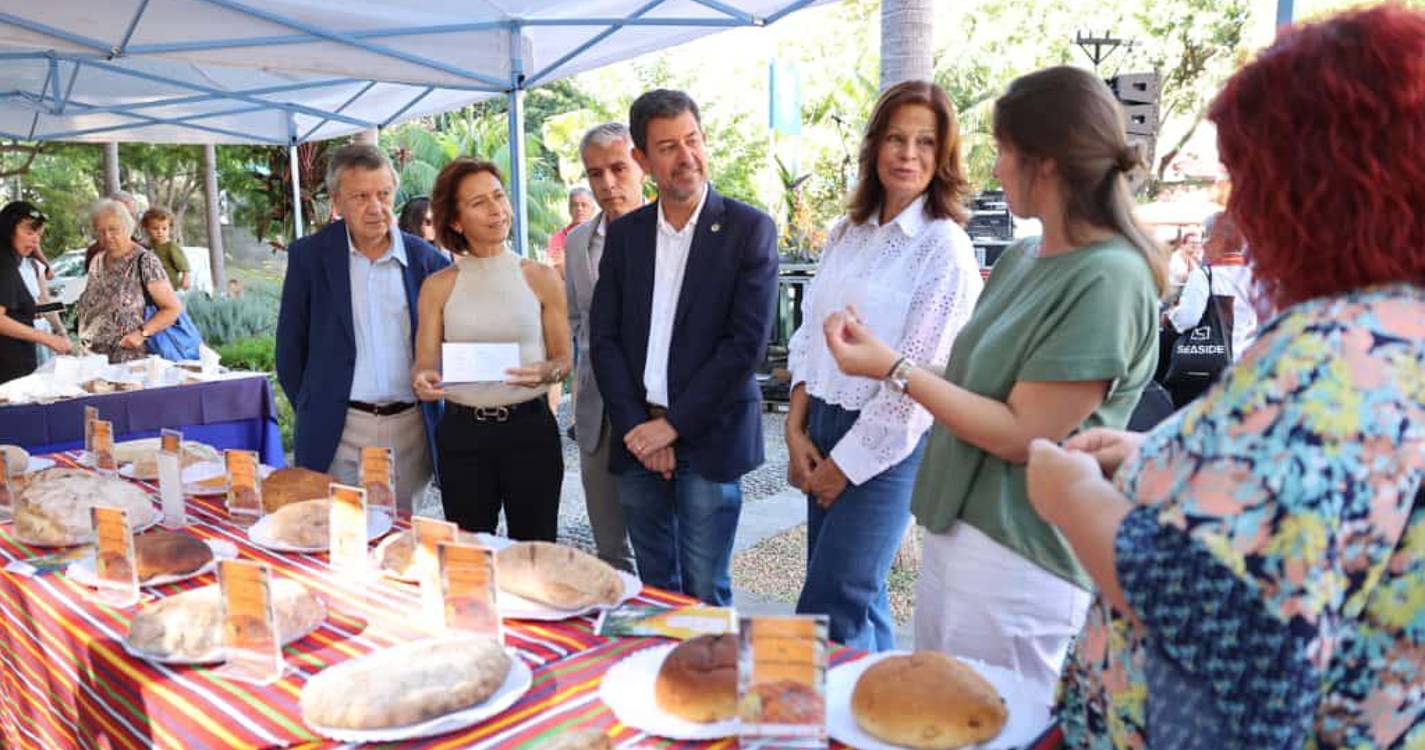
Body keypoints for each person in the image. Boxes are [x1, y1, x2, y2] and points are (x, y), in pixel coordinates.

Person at [1029, 7, 1425, 748]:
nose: (1236, 207)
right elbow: (1325, 521)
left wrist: (1074, 499)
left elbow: (1235, 631)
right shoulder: (1395, 336)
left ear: (1316, 183)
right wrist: (1153, 459)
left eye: (1246, 176)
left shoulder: (1331, 355)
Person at [821, 66, 1166, 700]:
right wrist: (889, 358)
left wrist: (894, 370)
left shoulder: (1110, 277)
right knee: (938, 713)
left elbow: (1020, 432)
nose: (996, 167)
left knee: (999, 720)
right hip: (959, 531)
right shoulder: (1021, 259)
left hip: (1023, 553)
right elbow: (974, 383)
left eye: (1005, 151)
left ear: (1048, 164)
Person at [785, 81, 981, 651]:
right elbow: (808, 338)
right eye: (896, 138)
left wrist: (844, 465)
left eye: (925, 141)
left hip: (889, 442)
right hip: (820, 419)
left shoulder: (945, 248)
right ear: (874, 146)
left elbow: (922, 375)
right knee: (861, 600)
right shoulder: (847, 233)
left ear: (944, 156)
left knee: (829, 605)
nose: (908, 154)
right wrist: (796, 429)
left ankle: (814, 728)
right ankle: (878, 722)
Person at [590, 89, 778, 605]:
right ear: (643, 160)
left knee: (703, 587)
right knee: (655, 590)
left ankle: (711, 684)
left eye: (692, 140)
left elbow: (745, 346)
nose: (686, 157)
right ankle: (657, 679)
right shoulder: (626, 236)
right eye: (668, 147)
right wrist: (638, 429)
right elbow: (603, 340)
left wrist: (671, 428)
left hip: (709, 436)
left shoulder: (748, 229)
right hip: (636, 435)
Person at [276, 143, 450, 514]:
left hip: (409, 430)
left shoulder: (427, 262)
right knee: (336, 537)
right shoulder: (309, 258)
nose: (376, 207)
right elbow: (290, 352)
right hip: (338, 430)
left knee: (397, 543)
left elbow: (443, 345)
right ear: (337, 202)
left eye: (384, 194)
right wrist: (318, 405)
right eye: (361, 196)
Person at [411, 158, 570, 541]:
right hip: (464, 433)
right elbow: (425, 366)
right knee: (468, 555)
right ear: (455, 220)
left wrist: (548, 372)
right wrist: (424, 381)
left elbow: (565, 359)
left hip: (530, 431)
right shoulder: (438, 286)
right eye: (479, 202)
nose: (497, 209)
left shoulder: (542, 277)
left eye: (499, 196)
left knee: (535, 552)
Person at [563, 122, 645, 573]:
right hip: (596, 410)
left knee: (658, 541)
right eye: (595, 174)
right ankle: (616, 632)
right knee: (609, 544)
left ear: (642, 167)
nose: (608, 184)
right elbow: (575, 318)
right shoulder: (578, 242)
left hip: (654, 410)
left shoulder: (668, 235)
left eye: (619, 168)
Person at [76, 199, 183, 364]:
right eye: (101, 231)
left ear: (127, 228)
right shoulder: (97, 261)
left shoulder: (144, 261)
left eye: (113, 230)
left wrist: (142, 333)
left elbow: (172, 308)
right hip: (95, 360)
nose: (107, 236)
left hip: (132, 361)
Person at [0, 201, 71, 383]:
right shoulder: (5, 264)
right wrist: (47, 338)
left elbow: (42, 302)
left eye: (38, 235)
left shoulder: (29, 264)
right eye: (29, 232)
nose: (35, 240)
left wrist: (60, 328)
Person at [84, 191, 144, 270]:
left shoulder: (144, 253)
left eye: (131, 214)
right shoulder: (96, 255)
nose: (129, 219)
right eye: (122, 213)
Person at [545, 187, 595, 278]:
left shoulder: (601, 233)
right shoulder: (558, 237)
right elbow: (557, 268)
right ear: (569, 209)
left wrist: (568, 261)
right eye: (575, 205)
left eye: (584, 205)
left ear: (592, 209)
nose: (579, 208)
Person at [141, 207, 190, 291]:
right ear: (147, 228)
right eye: (155, 228)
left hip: (169, 284)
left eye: (164, 228)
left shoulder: (171, 246)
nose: (160, 232)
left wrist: (185, 278)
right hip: (153, 283)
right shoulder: (148, 245)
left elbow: (183, 264)